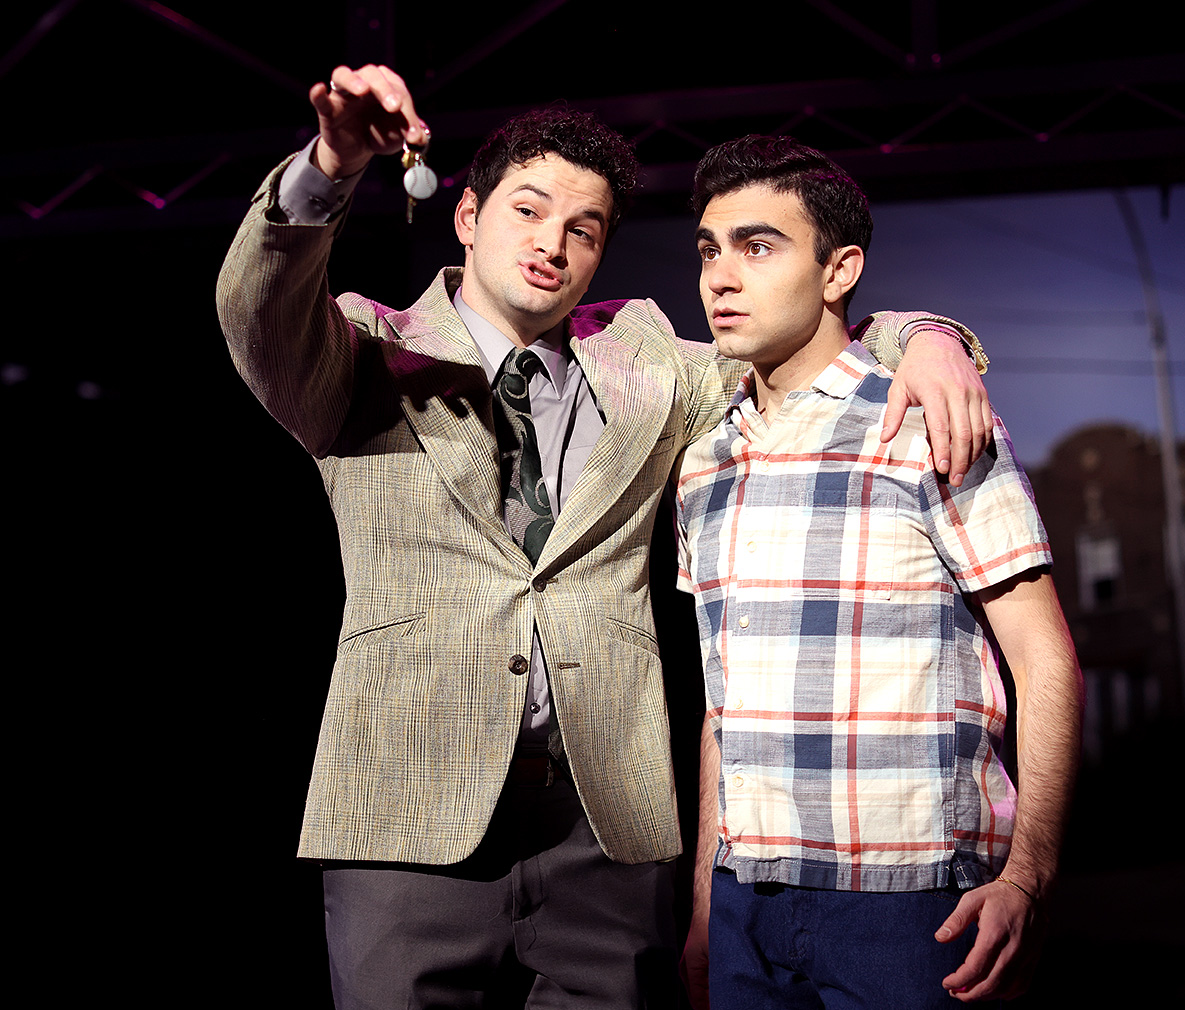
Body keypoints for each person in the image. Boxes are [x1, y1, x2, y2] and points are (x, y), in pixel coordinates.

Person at [216, 64, 993, 1009]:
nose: (552, 244)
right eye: (528, 212)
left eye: (582, 231)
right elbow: (255, 311)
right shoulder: (364, 348)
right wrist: (330, 166)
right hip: (407, 817)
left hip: (604, 828)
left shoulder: (648, 361)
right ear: (467, 218)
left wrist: (927, 335)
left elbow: (800, 341)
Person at [674, 135, 1084, 1009]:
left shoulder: (929, 423)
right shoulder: (705, 462)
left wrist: (1030, 875)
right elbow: (724, 704)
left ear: (839, 269)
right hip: (748, 905)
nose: (719, 274)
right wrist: (709, 898)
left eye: (758, 246)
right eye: (709, 249)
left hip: (913, 907)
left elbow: (1045, 659)